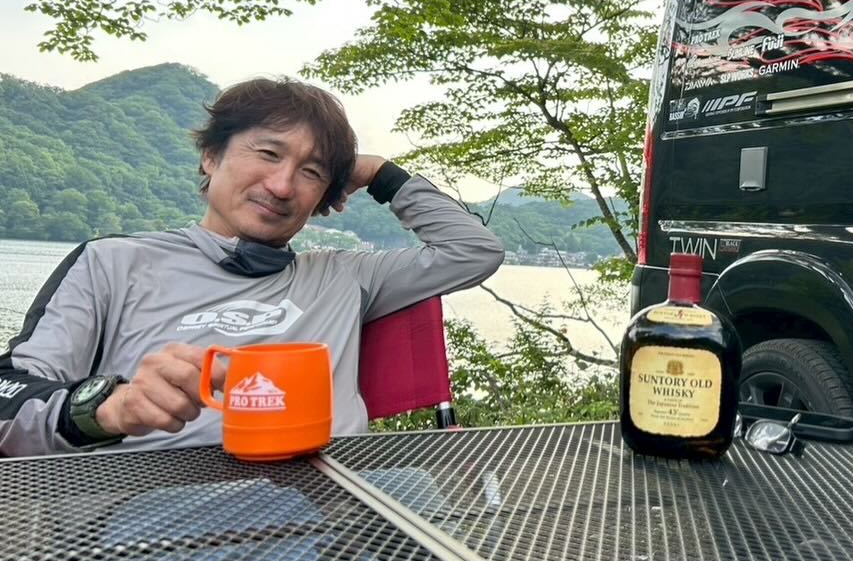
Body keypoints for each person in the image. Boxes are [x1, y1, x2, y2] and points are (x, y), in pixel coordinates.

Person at [0, 77, 505, 456]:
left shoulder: (345, 276)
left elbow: (474, 252)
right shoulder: (113, 262)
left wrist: (377, 173)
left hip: (332, 513)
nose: (282, 186)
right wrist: (109, 407)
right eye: (267, 152)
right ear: (211, 156)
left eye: (311, 172)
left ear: (324, 198)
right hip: (153, 521)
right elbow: (11, 397)